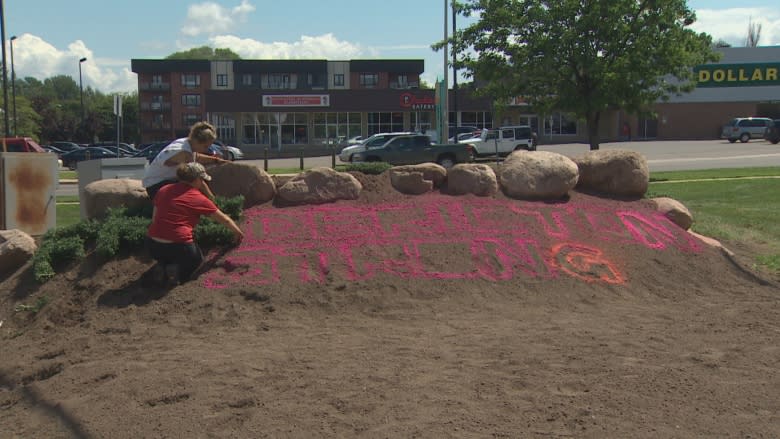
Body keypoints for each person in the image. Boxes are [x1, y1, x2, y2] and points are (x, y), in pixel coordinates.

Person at [146, 162, 244, 286]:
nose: (203, 183)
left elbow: (154, 218)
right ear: (197, 179)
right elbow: (224, 219)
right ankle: (177, 274)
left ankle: (163, 266)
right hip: (178, 245)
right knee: (196, 261)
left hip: (152, 244)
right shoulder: (198, 198)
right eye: (202, 180)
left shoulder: (163, 190)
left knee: (167, 254)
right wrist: (237, 232)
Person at [142, 121, 227, 200]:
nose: (206, 149)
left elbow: (197, 157)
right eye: (205, 146)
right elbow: (196, 178)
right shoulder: (184, 153)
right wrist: (213, 199)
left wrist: (216, 160)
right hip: (156, 187)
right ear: (196, 141)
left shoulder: (185, 142)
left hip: (160, 182)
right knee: (194, 185)